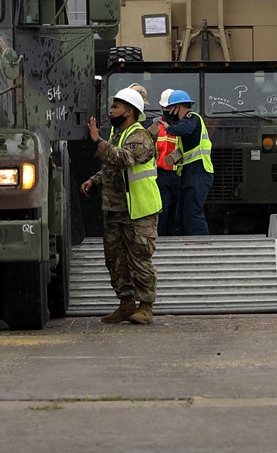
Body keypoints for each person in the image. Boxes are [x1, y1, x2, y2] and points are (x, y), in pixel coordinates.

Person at [80, 85, 162, 325]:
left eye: (115, 107)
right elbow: (110, 167)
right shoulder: (119, 136)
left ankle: (145, 307)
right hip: (116, 210)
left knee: (139, 259)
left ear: (129, 110)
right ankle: (126, 304)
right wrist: (94, 181)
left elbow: (124, 159)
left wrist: (97, 141)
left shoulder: (140, 137)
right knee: (115, 260)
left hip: (139, 211)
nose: (111, 111)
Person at [160, 89, 213, 235]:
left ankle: (201, 246)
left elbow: (184, 128)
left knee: (193, 212)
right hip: (189, 173)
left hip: (199, 171)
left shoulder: (192, 118)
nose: (169, 112)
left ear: (179, 107)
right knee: (182, 215)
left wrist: (168, 128)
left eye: (170, 109)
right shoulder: (185, 123)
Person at [152, 98, 184, 238]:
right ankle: (161, 237)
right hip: (161, 173)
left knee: (180, 210)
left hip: (179, 172)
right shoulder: (155, 124)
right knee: (162, 210)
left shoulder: (184, 124)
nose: (167, 111)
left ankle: (179, 237)